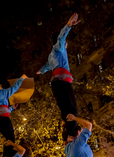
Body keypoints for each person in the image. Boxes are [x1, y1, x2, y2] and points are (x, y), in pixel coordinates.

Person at [36, 13, 81, 141]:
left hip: (56, 84)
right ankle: (72, 134)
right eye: (65, 42)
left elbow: (47, 66)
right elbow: (61, 38)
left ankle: (70, 133)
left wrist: (40, 71)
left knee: (66, 109)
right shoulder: (59, 48)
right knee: (72, 109)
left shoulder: (52, 55)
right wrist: (68, 26)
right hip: (62, 82)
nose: (66, 43)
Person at [0, 74, 28, 157]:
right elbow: (14, 88)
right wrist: (21, 78)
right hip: (3, 118)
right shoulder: (0, 92)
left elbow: (0, 109)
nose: (2, 87)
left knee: (9, 139)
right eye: (1, 86)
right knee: (11, 139)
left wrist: (11, 108)